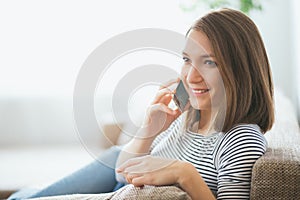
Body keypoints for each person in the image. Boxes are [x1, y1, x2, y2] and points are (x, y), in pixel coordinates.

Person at [9, 8, 274, 200]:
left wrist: (185, 174)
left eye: (209, 62)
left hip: (122, 191)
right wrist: (149, 128)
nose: (191, 76)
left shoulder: (240, 140)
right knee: (21, 197)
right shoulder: (189, 113)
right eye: (186, 59)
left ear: (240, 69)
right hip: (116, 169)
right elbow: (121, 172)